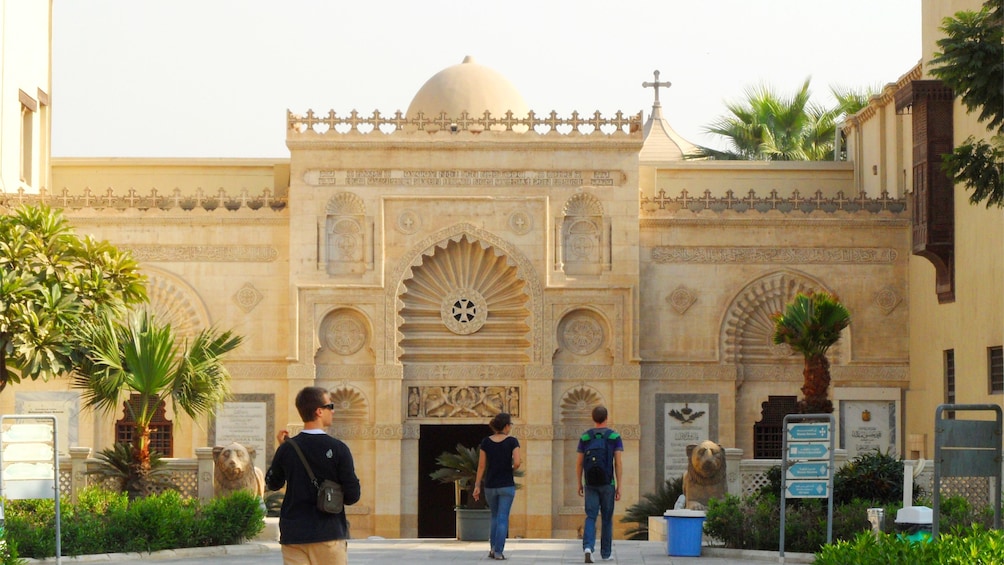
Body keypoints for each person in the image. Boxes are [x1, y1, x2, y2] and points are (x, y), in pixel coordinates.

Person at [265, 386, 361, 565]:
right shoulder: (338, 449)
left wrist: (282, 450)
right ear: (319, 411)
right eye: (330, 406)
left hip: (294, 536)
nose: (333, 411)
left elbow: (273, 482)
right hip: (328, 534)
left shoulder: (287, 448)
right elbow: (352, 496)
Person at [576, 405, 623, 563]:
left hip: (590, 482)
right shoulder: (614, 436)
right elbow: (618, 463)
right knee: (607, 519)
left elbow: (579, 463)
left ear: (593, 418)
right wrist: (619, 486)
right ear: (606, 418)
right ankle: (606, 553)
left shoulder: (585, 437)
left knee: (591, 516)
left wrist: (579, 483)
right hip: (607, 482)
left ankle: (588, 547)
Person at [472, 412, 521, 561]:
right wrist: (510, 469)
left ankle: (492, 548)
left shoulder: (486, 442)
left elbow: (481, 466)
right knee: (503, 517)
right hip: (506, 484)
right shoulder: (512, 441)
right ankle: (499, 551)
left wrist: (477, 485)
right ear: (506, 426)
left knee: (494, 516)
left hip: (490, 485)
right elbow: (518, 462)